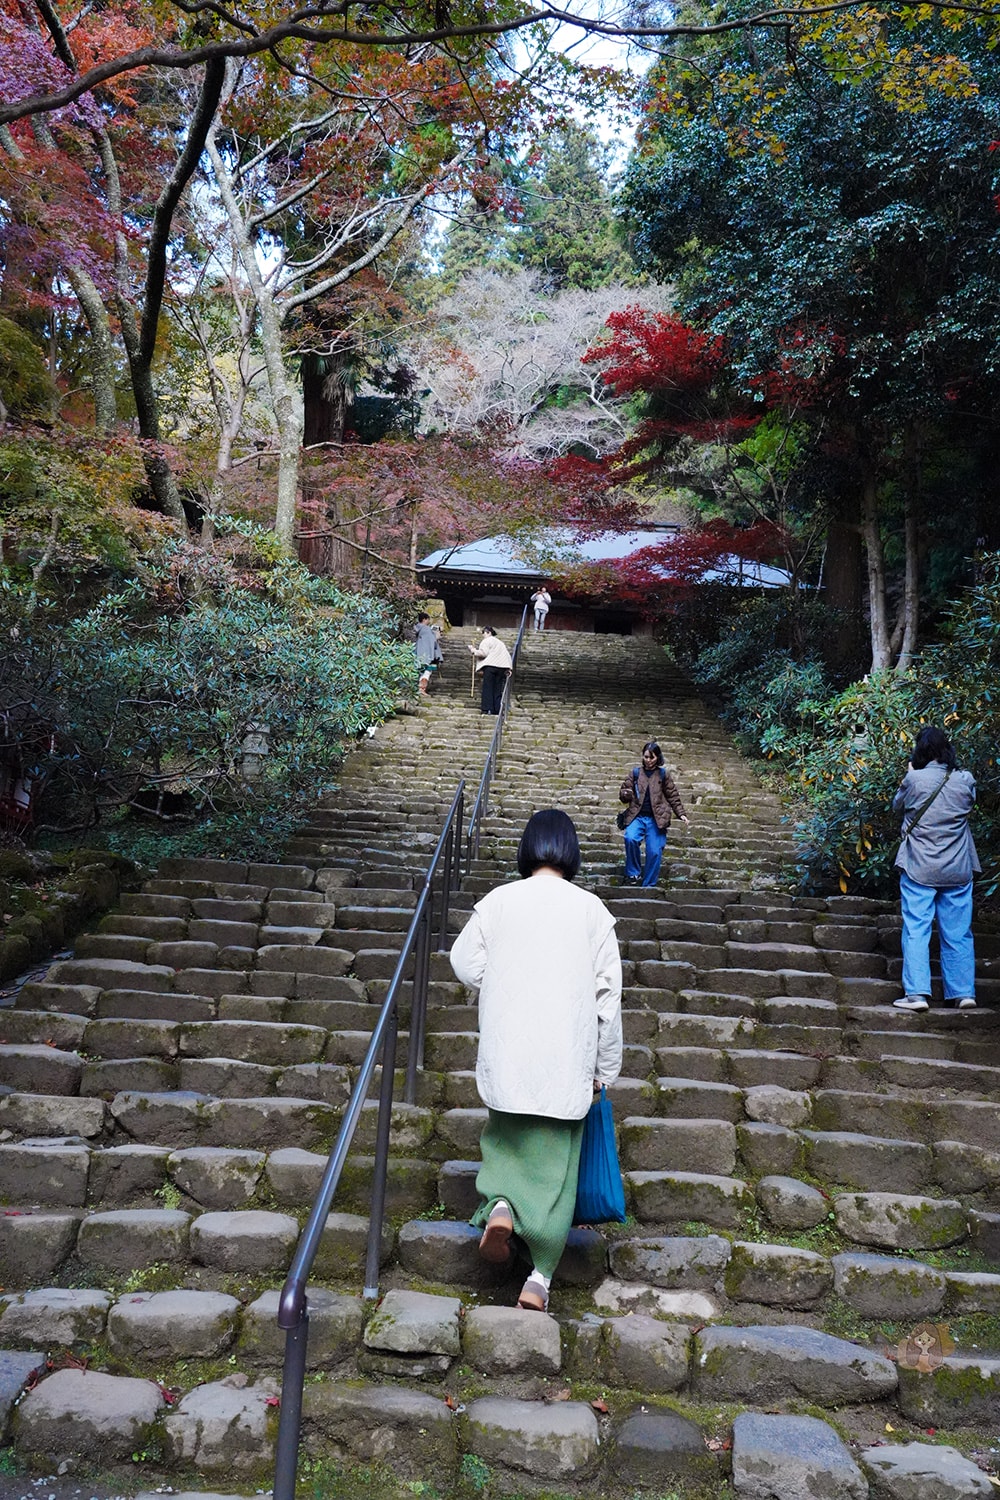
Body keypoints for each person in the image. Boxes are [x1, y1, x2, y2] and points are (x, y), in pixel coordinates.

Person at [449, 809, 623, 1312]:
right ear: (570, 851)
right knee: (557, 1170)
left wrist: (501, 977)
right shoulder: (592, 911)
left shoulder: (499, 901)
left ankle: (501, 1204)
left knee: (506, 1140)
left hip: (510, 1050)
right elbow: (606, 999)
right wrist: (604, 1069)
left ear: (527, 848)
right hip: (566, 1057)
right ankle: (540, 1277)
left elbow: (463, 960)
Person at [892, 725, 979, 1012]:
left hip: (920, 865)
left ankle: (917, 994)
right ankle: (963, 993)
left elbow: (897, 806)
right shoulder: (964, 779)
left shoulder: (913, 779)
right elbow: (968, 803)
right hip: (957, 866)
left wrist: (909, 774)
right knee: (958, 931)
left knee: (917, 927)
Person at [618, 740, 690, 888]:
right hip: (637, 816)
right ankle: (633, 873)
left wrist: (681, 814)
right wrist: (626, 794)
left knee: (654, 851)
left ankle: (648, 885)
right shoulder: (636, 773)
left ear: (658, 757)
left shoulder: (663, 775)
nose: (649, 761)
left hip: (657, 819)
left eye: (652, 757)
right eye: (646, 757)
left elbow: (672, 795)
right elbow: (624, 791)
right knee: (630, 838)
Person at [469, 626, 513, 714]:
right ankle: (497, 708)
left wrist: (473, 650)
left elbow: (483, 653)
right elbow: (506, 655)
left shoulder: (487, 641)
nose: (483, 635)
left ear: (489, 632)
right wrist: (509, 668)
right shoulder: (500, 642)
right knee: (497, 688)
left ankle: (487, 708)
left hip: (490, 666)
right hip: (501, 667)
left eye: (484, 633)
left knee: (488, 687)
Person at [413, 611, 443, 696]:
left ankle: (419, 688)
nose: (429, 621)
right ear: (424, 619)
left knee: (421, 671)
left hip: (419, 652)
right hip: (427, 654)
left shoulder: (418, 628)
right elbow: (432, 641)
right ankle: (422, 689)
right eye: (428, 619)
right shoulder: (426, 629)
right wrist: (437, 636)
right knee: (427, 671)